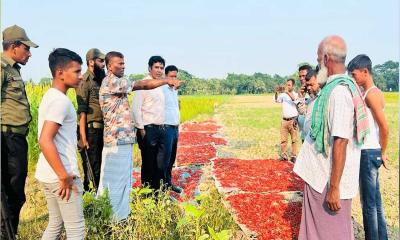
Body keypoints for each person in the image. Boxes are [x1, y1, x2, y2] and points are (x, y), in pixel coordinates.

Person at [294, 35, 369, 240]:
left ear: (326, 58)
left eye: (318, 59)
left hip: (327, 183)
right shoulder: (332, 89)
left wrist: (334, 188)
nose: (317, 64)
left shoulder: (338, 93)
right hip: (319, 178)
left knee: (331, 233)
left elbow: (341, 141)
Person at [98, 52, 181, 220]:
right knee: (117, 180)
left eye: (124, 63)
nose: (123, 66)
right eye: (119, 64)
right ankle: (112, 217)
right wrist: (166, 80)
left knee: (125, 179)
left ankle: (121, 214)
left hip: (124, 138)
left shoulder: (118, 81)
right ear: (109, 66)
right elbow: (141, 86)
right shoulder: (112, 81)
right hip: (116, 138)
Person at [35, 48, 85, 239]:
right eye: (77, 71)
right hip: (61, 175)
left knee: (56, 223)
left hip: (47, 173)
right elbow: (45, 140)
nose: (81, 76)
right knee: (76, 229)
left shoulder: (50, 95)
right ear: (60, 73)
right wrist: (64, 176)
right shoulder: (61, 102)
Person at [1, 25, 38, 238]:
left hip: (16, 138)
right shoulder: (2, 67)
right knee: (9, 194)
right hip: (6, 138)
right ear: (14, 47)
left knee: (15, 194)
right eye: (26, 48)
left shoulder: (13, 69)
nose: (30, 53)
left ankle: (10, 233)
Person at [348, 54, 389, 240]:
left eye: (354, 74)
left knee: (369, 204)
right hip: (371, 151)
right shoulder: (368, 92)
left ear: (365, 72)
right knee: (376, 202)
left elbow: (384, 127)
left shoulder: (371, 94)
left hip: (368, 152)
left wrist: (383, 151)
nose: (353, 78)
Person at [133, 56, 169, 191]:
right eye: (156, 67)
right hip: (148, 129)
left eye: (161, 68)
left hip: (161, 128)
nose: (159, 70)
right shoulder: (143, 84)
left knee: (160, 163)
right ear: (149, 68)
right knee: (148, 163)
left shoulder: (161, 86)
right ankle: (147, 193)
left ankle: (158, 192)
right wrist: (141, 129)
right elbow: (136, 108)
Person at [75, 48, 106, 192]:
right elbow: (82, 112)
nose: (103, 64)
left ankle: (99, 196)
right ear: (91, 62)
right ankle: (91, 198)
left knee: (102, 165)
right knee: (92, 167)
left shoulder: (101, 80)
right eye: (101, 61)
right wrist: (83, 137)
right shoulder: (85, 81)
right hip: (90, 130)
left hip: (102, 130)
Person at [163, 65, 182, 193]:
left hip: (175, 128)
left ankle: (168, 183)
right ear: (166, 76)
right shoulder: (162, 89)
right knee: (164, 158)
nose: (174, 79)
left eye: (175, 76)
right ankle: (162, 186)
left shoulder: (174, 91)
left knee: (171, 158)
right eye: (171, 76)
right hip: (166, 128)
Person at [274, 79, 299, 162]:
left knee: (294, 140)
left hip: (293, 120)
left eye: (289, 85)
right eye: (286, 85)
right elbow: (277, 100)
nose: (287, 86)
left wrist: (287, 92)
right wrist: (276, 92)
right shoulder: (283, 95)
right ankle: (284, 155)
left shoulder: (296, 94)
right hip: (284, 120)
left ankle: (294, 156)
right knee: (283, 140)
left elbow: (294, 100)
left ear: (293, 86)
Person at [297, 64, 313, 142]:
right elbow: (301, 112)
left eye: (304, 76)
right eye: (300, 76)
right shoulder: (301, 93)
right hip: (303, 134)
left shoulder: (314, 92)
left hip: (312, 136)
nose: (301, 78)